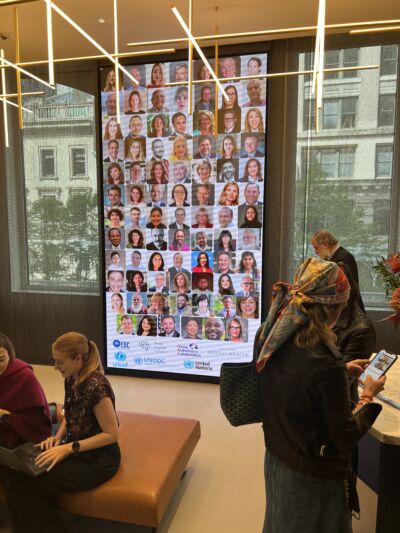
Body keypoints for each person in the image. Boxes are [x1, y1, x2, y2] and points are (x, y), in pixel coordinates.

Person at [256, 258, 385, 532]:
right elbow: (345, 437)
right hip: (312, 478)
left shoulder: (271, 337)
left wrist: (342, 375)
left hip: (276, 459)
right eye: (343, 304)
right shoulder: (326, 361)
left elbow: (295, 388)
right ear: (332, 307)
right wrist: (367, 397)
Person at [1, 332, 121, 533]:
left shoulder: (97, 387)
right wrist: (56, 438)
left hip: (97, 460)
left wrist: (68, 448)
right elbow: (70, 414)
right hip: (73, 447)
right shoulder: (72, 377)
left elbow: (112, 434)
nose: (55, 367)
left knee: (21, 485)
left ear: (78, 359)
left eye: (60, 362)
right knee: (18, 475)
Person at [0, 334, 51, 449]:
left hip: (22, 432)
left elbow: (38, 419)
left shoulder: (23, 375)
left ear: (10, 356)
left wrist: (7, 416)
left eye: (1, 360)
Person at [311, 229, 361, 294]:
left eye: (316, 248)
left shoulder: (343, 258)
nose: (316, 252)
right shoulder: (332, 257)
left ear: (326, 244)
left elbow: (334, 285)